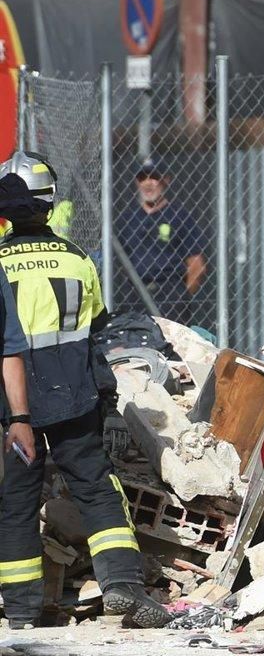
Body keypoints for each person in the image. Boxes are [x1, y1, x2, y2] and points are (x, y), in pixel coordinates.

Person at [0, 157, 171, 629]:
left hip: (14, 403)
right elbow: (96, 329)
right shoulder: (77, 259)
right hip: (74, 393)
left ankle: (20, 609)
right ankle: (122, 585)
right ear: (50, 205)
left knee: (17, 499)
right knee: (97, 489)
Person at [115, 160, 207, 326]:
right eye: (143, 178)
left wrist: (181, 297)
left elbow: (197, 265)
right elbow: (122, 262)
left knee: (170, 346)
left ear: (166, 180)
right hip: (135, 294)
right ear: (137, 182)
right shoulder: (127, 219)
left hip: (170, 293)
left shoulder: (179, 216)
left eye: (154, 177)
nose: (148, 183)